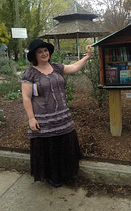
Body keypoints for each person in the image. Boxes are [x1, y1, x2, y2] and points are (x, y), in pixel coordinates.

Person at [21, 39, 92, 187]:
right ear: (34, 55)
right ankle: (52, 176)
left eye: (46, 50)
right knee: (49, 146)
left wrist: (87, 56)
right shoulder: (30, 74)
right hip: (43, 119)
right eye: (40, 51)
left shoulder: (57, 67)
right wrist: (31, 118)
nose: (44, 53)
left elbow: (73, 67)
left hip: (62, 116)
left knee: (63, 143)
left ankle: (65, 173)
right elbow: (26, 97)